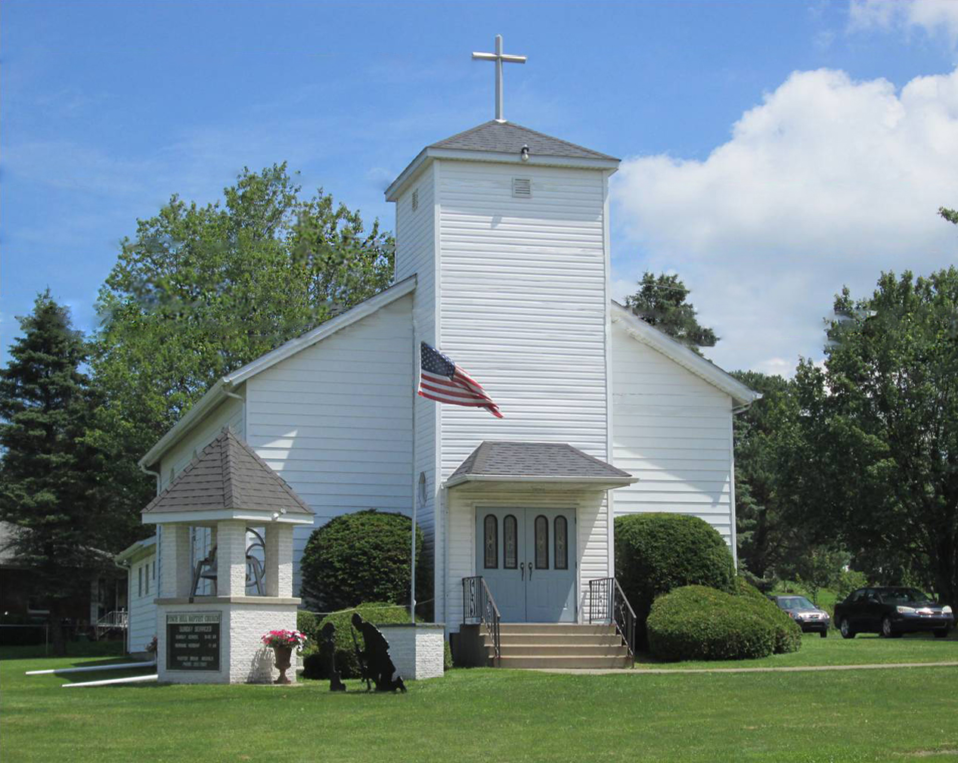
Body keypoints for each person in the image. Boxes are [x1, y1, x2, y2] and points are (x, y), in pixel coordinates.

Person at [351, 612, 406, 693]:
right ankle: (389, 684)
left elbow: (371, 650)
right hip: (380, 660)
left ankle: (398, 682)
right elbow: (371, 649)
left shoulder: (367, 629)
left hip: (383, 661)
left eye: (356, 625)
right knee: (380, 684)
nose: (356, 628)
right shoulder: (366, 628)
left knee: (382, 685)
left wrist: (362, 654)